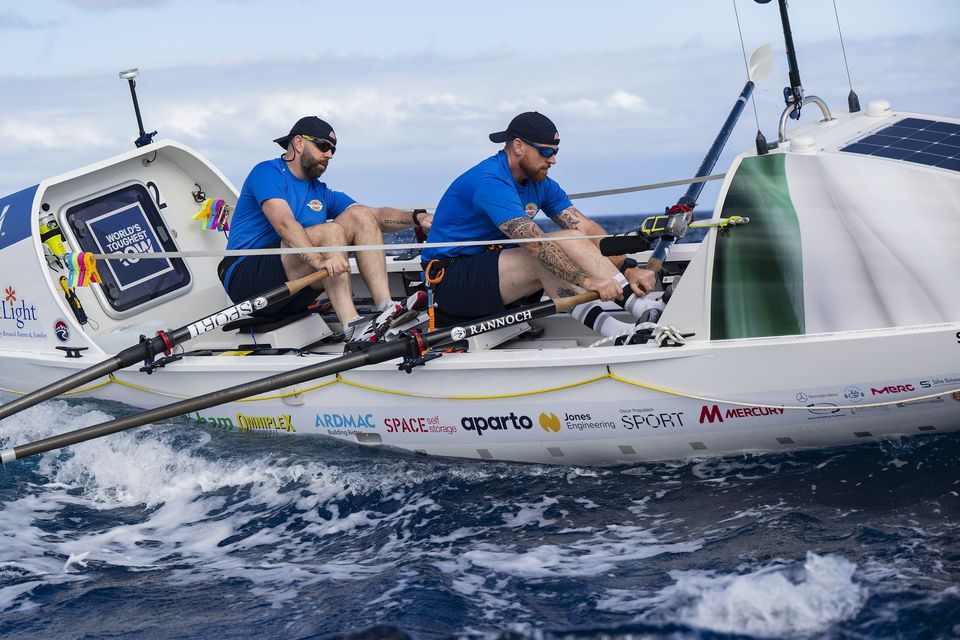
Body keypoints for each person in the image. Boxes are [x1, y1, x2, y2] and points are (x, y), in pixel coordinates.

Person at [421, 111, 662, 338]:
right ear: (518, 146)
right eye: (546, 152)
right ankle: (622, 330)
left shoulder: (540, 182)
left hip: (493, 273)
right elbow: (534, 243)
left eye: (556, 151)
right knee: (545, 254)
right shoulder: (490, 181)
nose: (554, 160)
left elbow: (585, 229)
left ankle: (644, 311)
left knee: (569, 240)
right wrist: (589, 282)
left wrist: (628, 269)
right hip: (450, 282)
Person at [219, 116, 432, 341]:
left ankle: (385, 307)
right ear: (299, 143)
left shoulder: (320, 192)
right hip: (247, 279)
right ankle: (352, 325)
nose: (329, 154)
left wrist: (418, 217)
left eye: (333, 150)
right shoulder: (267, 172)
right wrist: (319, 261)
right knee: (331, 232)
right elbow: (285, 223)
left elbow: (376, 216)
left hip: (292, 284)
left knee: (360, 215)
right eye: (323, 146)